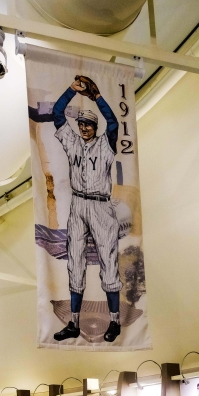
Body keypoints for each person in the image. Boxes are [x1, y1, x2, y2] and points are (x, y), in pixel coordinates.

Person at [52, 75, 122, 344]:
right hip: (78, 203)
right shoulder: (73, 142)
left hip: (101, 206)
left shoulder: (105, 143)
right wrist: (71, 90)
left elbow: (113, 123)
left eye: (88, 124)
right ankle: (73, 322)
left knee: (108, 262)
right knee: (75, 261)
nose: (83, 128)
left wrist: (98, 97)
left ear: (95, 127)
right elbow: (57, 114)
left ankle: (115, 321)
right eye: (81, 123)